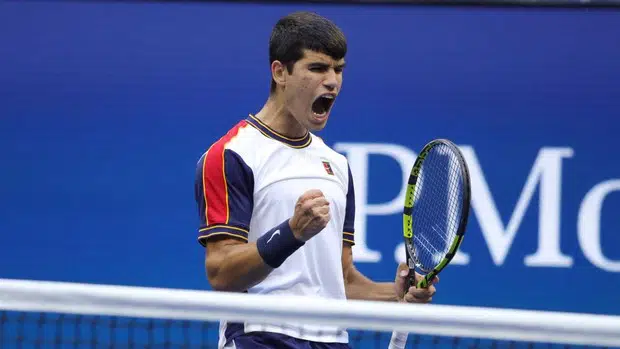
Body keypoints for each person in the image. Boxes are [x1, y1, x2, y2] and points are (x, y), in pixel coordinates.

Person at [194, 11, 438, 349]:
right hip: (261, 337)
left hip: (330, 341)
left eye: (338, 69)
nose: (333, 81)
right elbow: (221, 272)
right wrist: (291, 233)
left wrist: (394, 294)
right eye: (317, 68)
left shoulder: (336, 165)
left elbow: (343, 281)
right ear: (280, 72)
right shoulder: (230, 155)